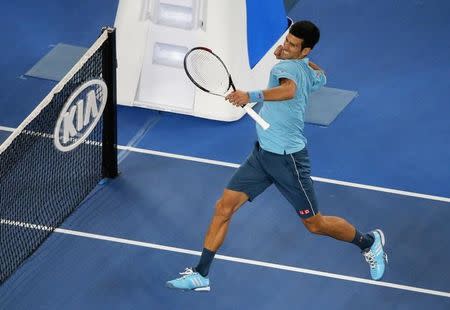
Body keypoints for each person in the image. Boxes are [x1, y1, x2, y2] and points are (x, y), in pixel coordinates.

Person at [166, 20, 387, 292]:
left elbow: (288, 90)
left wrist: (250, 94)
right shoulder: (307, 69)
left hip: (288, 161)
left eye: (294, 46)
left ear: (305, 50)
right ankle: (202, 273)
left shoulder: (285, 69)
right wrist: (297, 58)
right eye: (287, 41)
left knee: (315, 224)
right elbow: (322, 74)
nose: (286, 47)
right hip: (261, 156)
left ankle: (369, 242)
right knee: (223, 208)